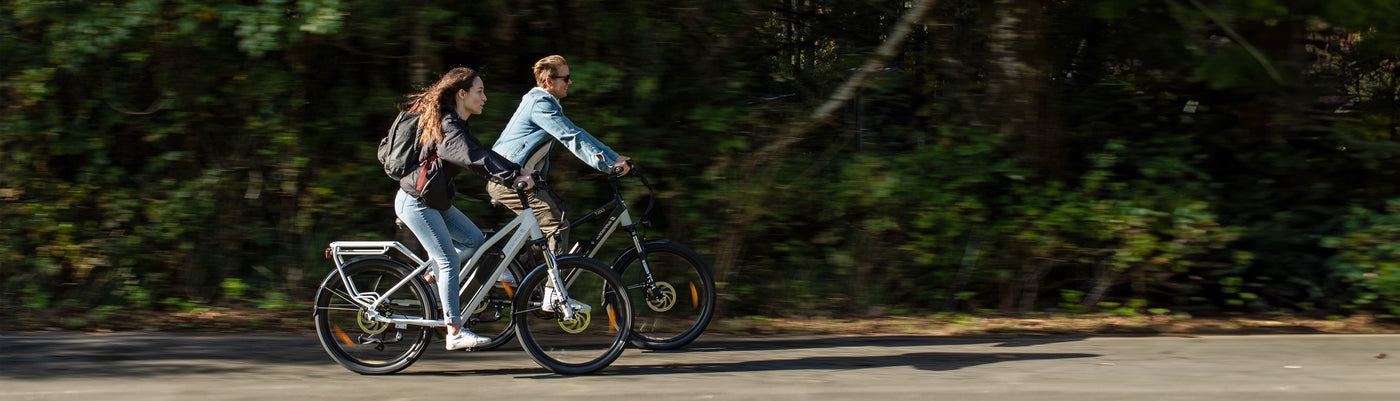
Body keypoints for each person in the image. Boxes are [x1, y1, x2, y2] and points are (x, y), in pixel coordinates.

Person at [396, 67, 535, 351]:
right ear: (462, 93)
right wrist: (511, 177)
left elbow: (484, 153)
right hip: (415, 202)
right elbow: (473, 158)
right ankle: (454, 331)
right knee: (449, 259)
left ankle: (433, 274)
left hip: (433, 201)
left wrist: (517, 170)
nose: (485, 97)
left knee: (473, 240)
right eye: (479, 91)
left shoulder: (457, 124)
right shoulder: (449, 125)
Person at [487, 55, 631, 254]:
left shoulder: (544, 103)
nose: (570, 82)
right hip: (508, 177)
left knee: (547, 232)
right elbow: (571, 137)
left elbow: (577, 132)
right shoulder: (540, 104)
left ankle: (519, 278)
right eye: (566, 78)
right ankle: (552, 285)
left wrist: (613, 157)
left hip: (516, 176)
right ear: (549, 81)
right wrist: (608, 164)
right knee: (556, 227)